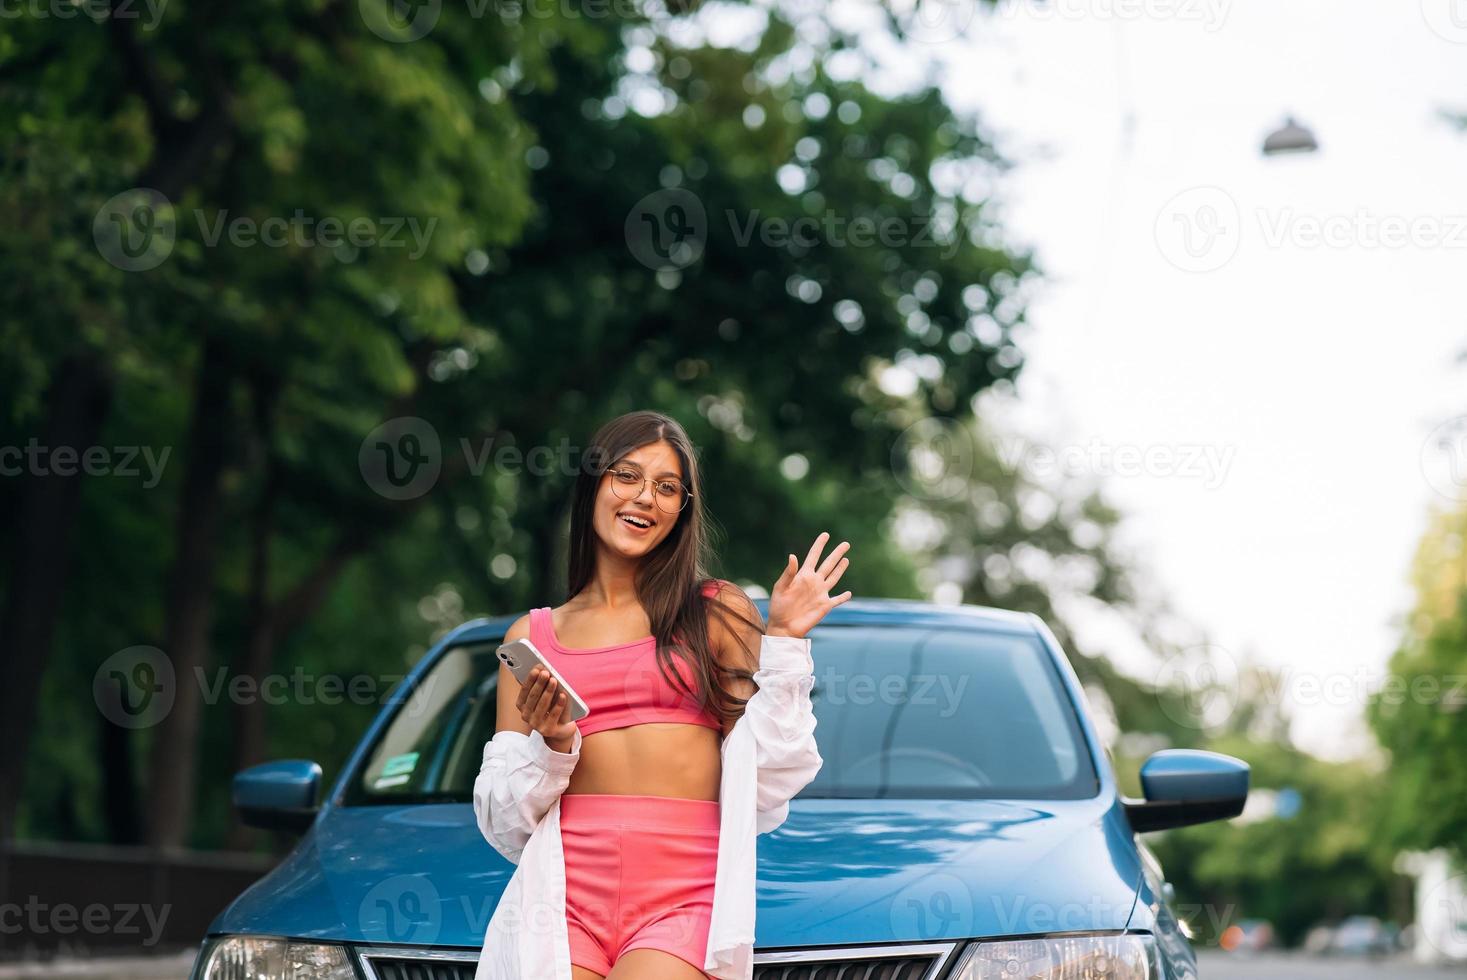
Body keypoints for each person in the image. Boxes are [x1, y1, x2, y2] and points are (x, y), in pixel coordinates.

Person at [472, 409, 849, 980]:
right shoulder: (529, 640)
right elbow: (504, 822)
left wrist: (786, 643)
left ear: (682, 510)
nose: (645, 497)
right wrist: (551, 744)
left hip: (685, 891)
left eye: (667, 487)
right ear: (594, 484)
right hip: (562, 896)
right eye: (627, 476)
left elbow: (770, 773)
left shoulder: (716, 610)